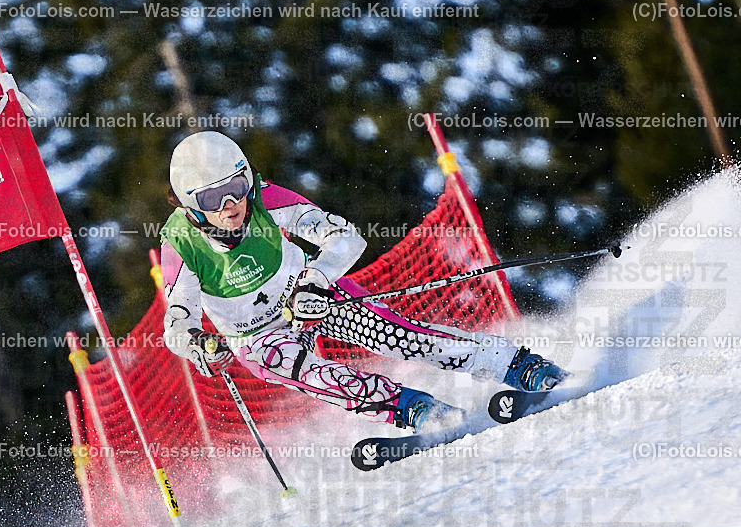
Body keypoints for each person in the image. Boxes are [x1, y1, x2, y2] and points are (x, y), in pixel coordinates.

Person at [159, 131, 566, 430]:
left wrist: (314, 281)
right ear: (191, 205)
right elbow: (177, 323)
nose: (230, 205)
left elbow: (345, 237)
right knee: (305, 371)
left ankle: (516, 365)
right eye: (212, 199)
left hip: (310, 295)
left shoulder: (265, 199)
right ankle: (413, 409)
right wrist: (199, 346)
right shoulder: (181, 242)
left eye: (236, 187)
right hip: (256, 335)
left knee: (399, 336)